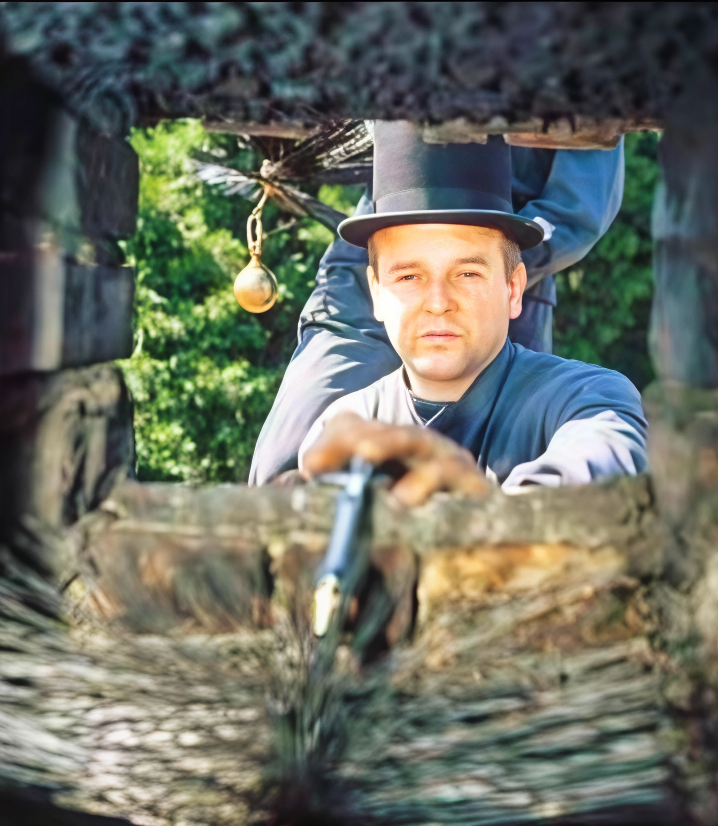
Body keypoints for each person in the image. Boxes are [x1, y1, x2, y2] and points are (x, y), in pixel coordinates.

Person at [272, 122, 647, 505]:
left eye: (465, 273)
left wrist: (480, 522)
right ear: (377, 293)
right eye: (410, 276)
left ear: (512, 287)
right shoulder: (339, 423)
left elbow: (598, 465)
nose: (438, 301)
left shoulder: (588, 400)